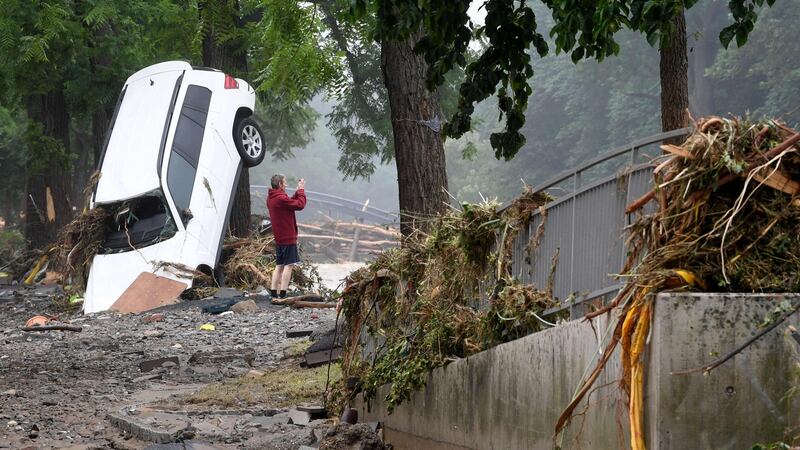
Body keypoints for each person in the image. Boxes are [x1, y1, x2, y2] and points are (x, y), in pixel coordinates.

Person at [266, 174, 307, 299]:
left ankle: (274, 293)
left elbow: (289, 202)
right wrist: (301, 190)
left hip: (279, 238)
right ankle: (283, 293)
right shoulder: (280, 199)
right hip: (288, 237)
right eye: (285, 183)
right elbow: (299, 205)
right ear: (280, 185)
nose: (286, 185)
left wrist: (297, 192)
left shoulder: (271, 198)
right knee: (289, 265)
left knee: (279, 265)